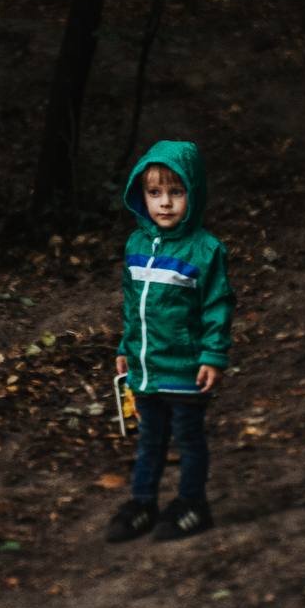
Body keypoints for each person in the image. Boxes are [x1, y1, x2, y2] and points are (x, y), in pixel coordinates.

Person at [107, 140, 235, 542]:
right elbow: (133, 306)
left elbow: (218, 305)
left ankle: (193, 504)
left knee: (189, 440)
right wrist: (126, 347)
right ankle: (143, 502)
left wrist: (212, 355)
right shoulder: (136, 246)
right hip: (147, 367)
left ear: (192, 194)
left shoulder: (205, 250)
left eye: (176, 193)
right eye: (155, 193)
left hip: (185, 368)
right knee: (150, 440)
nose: (164, 203)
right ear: (141, 194)